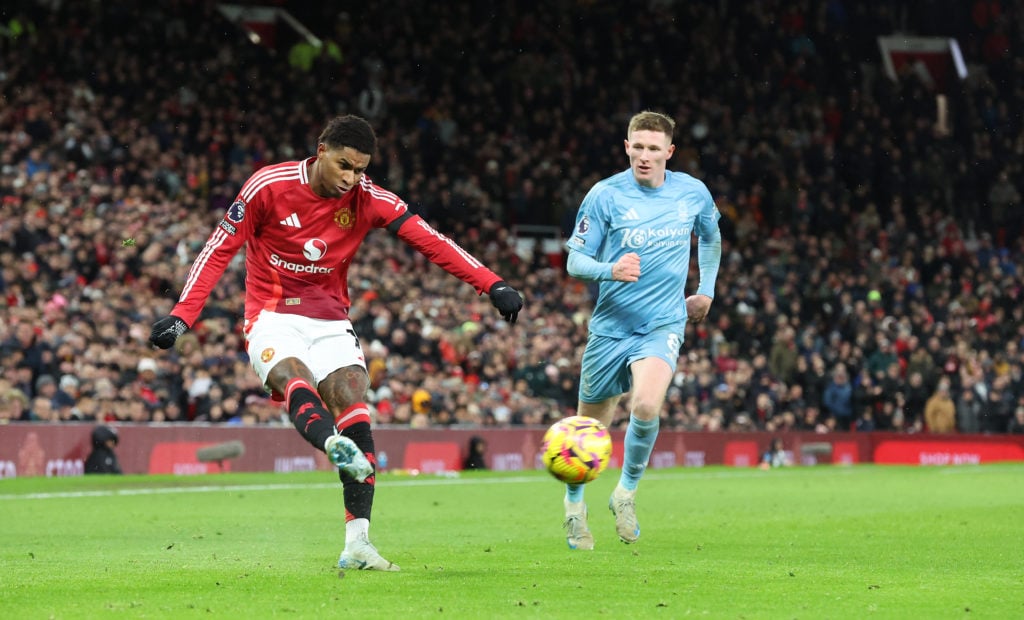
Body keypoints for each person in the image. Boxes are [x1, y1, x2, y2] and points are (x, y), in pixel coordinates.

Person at [149, 114, 522, 571]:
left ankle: (358, 543)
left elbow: (433, 241)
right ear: (321, 149)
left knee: (350, 392)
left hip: (329, 318)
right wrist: (182, 315)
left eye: (361, 169)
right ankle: (331, 444)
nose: (351, 178)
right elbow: (218, 249)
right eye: (344, 165)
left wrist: (491, 283)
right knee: (293, 375)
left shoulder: (369, 200)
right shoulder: (268, 185)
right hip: (271, 313)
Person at [560, 111, 721, 550]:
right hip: (611, 327)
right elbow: (575, 262)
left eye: (654, 148)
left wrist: (705, 289)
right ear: (626, 146)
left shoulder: (692, 192)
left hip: (663, 322)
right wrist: (609, 269)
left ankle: (625, 493)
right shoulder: (605, 196)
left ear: (670, 152)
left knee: (647, 405)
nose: (645, 156)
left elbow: (711, 236)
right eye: (638, 146)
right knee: (589, 431)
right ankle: (575, 507)